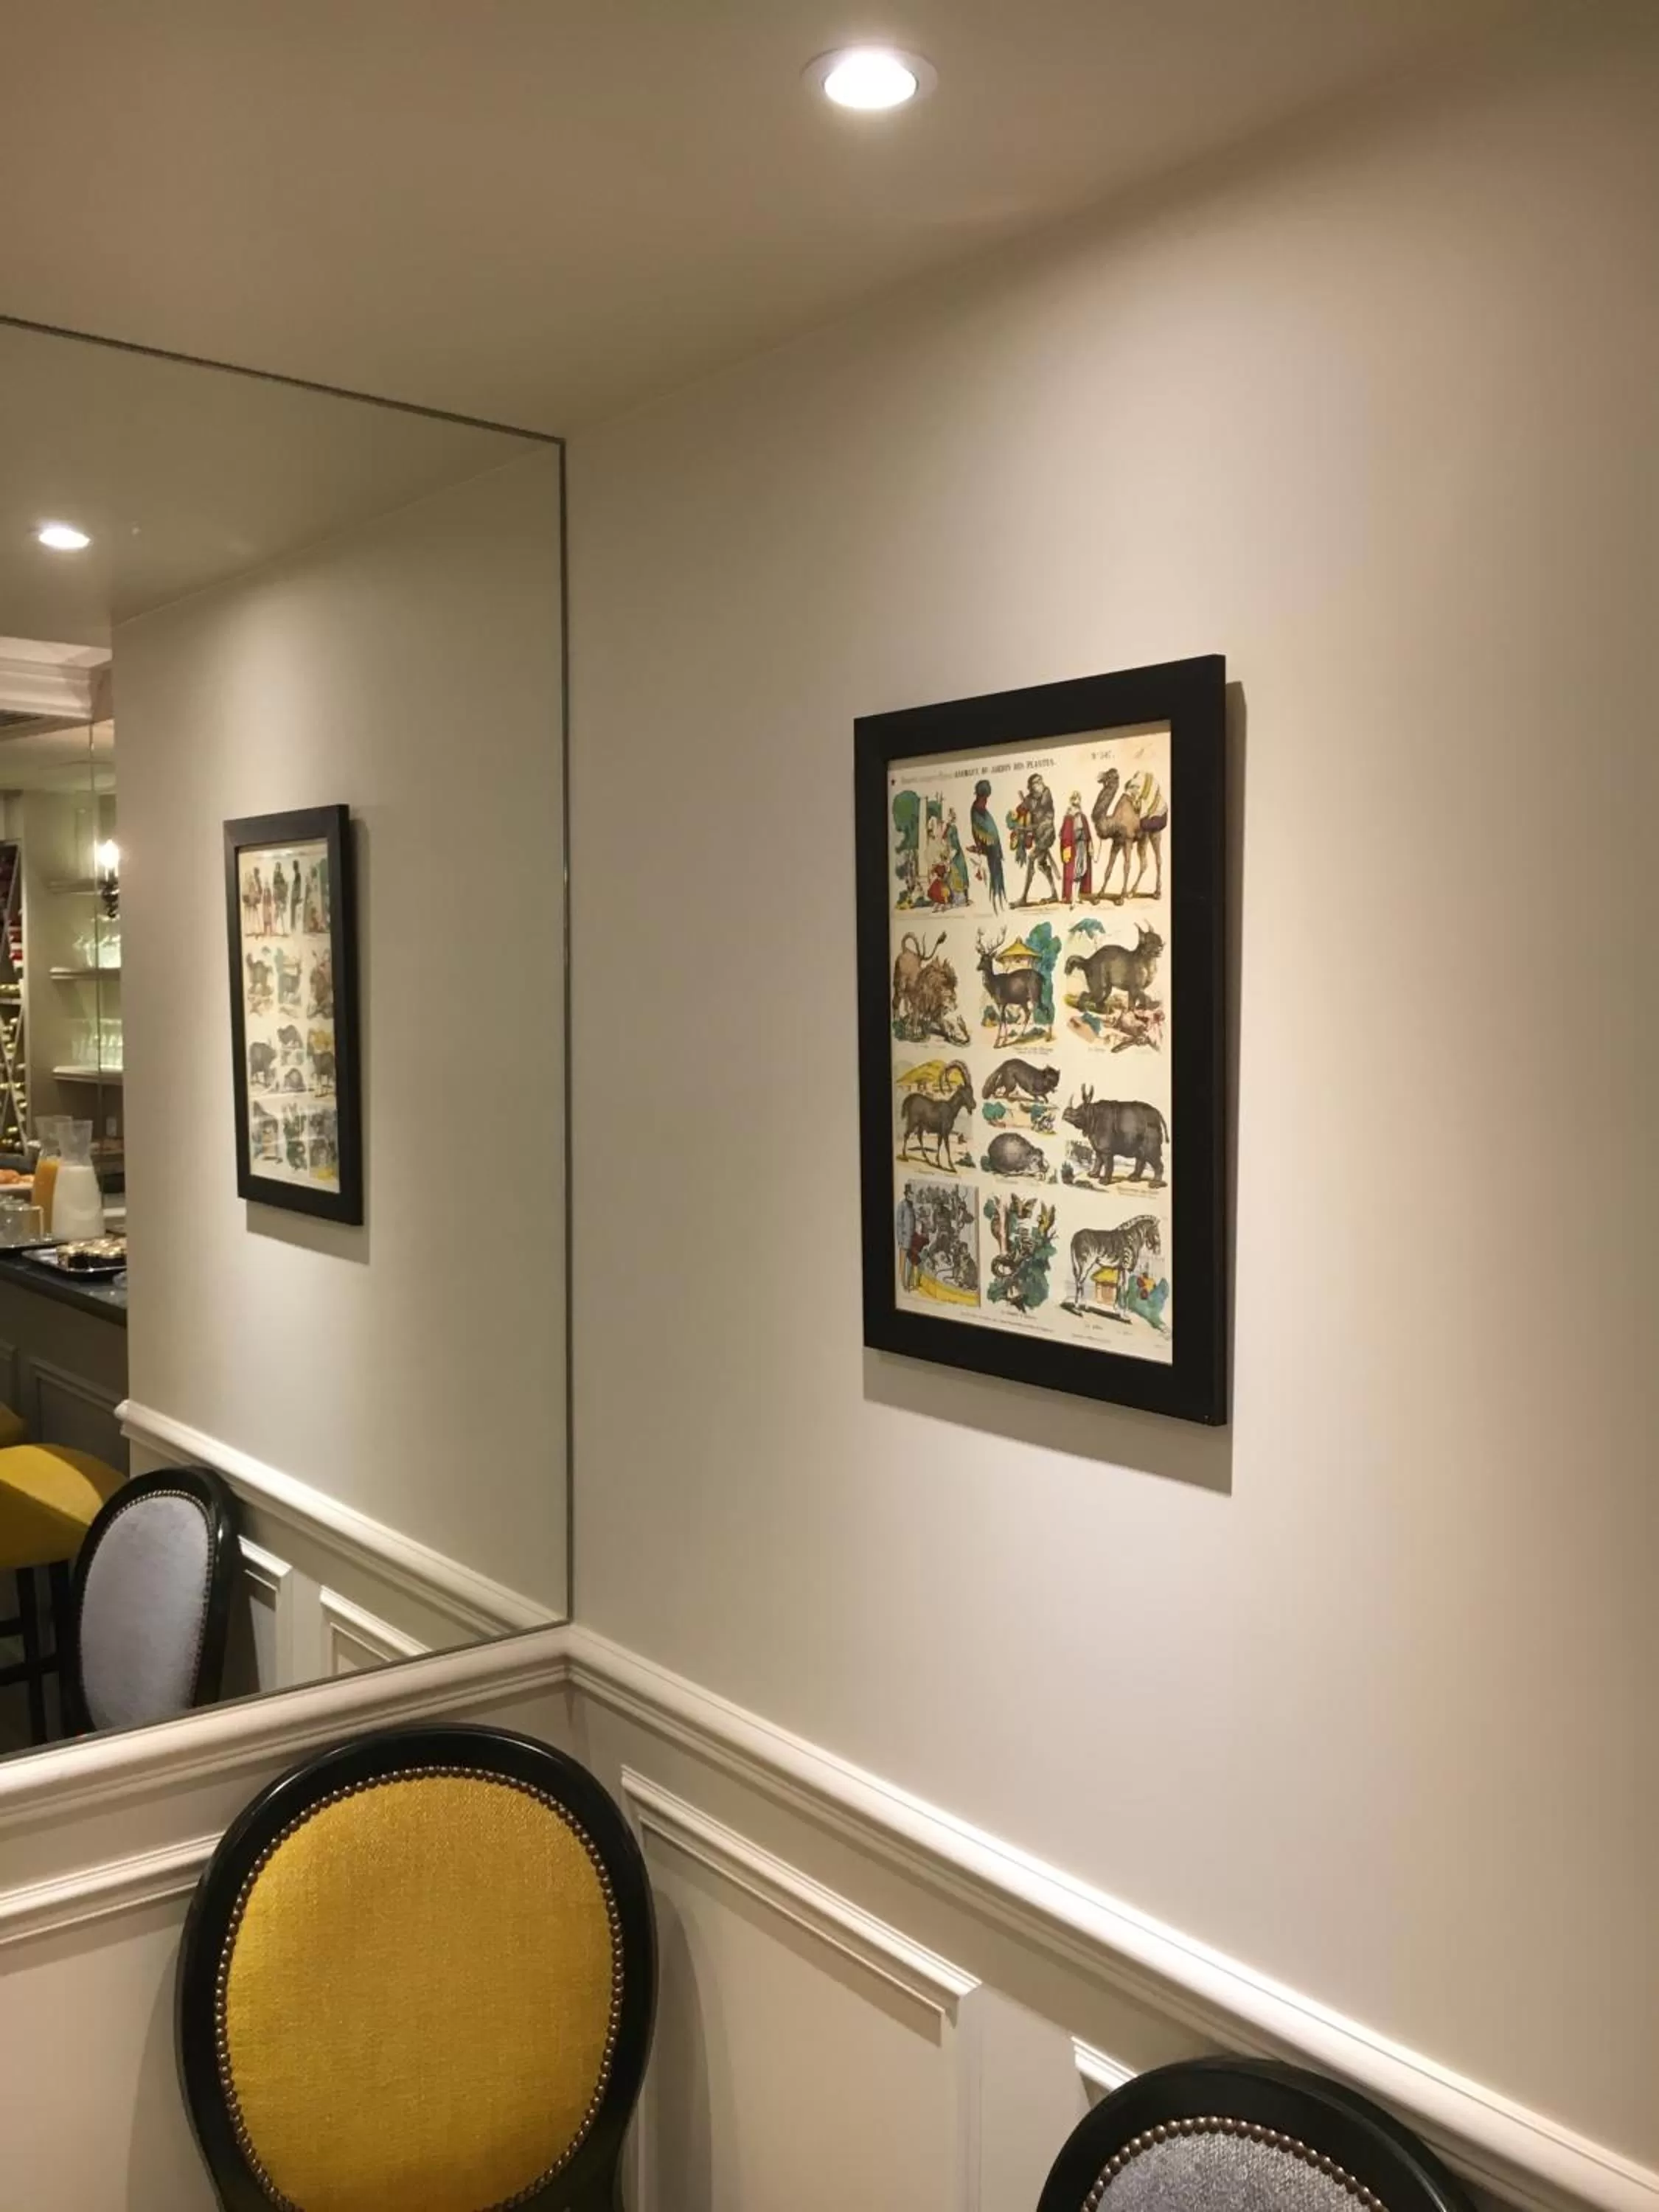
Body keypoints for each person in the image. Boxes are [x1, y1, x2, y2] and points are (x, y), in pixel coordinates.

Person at [1013, 773, 1059, 905]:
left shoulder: (1046, 795)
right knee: (1042, 865)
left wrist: (1026, 828)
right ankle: (1054, 894)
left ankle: (1023, 898)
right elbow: (1023, 810)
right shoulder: (1030, 798)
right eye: (1036, 782)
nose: (1040, 783)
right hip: (1039, 836)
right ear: (1031, 787)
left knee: (1031, 858)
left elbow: (1041, 821)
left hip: (1047, 834)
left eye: (1040, 781)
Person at [970, 779, 1005, 911]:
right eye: (985, 798)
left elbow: (982, 833)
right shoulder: (977, 811)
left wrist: (980, 847)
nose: (986, 801)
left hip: (992, 849)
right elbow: (978, 832)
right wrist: (979, 847)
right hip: (990, 847)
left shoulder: (978, 811)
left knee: (995, 877)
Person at [1060, 791, 1093, 902]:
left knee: (1082, 870)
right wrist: (1066, 846)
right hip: (1073, 848)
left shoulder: (1082, 816)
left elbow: (1088, 833)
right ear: (1071, 801)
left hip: (1082, 846)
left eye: (1078, 799)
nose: (1076, 801)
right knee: (1073, 873)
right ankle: (1072, 897)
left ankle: (1077, 896)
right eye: (1074, 799)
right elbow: (1063, 834)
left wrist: (1090, 845)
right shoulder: (1068, 817)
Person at [943, 809, 970, 905]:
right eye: (948, 816)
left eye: (950, 816)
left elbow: (955, 845)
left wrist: (949, 858)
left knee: (957, 875)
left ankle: (961, 899)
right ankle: (955, 899)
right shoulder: (948, 828)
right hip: (952, 854)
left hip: (956, 855)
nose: (948, 818)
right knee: (951, 877)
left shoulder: (953, 829)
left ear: (953, 818)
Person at [895, 1183, 919, 1290]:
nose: (911, 1195)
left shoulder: (912, 1206)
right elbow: (899, 1224)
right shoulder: (902, 1206)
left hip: (911, 1239)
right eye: (910, 1193)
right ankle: (903, 1285)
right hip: (904, 1239)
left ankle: (908, 1285)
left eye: (913, 1194)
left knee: (910, 1263)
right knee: (903, 1263)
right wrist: (900, 1240)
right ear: (906, 1194)